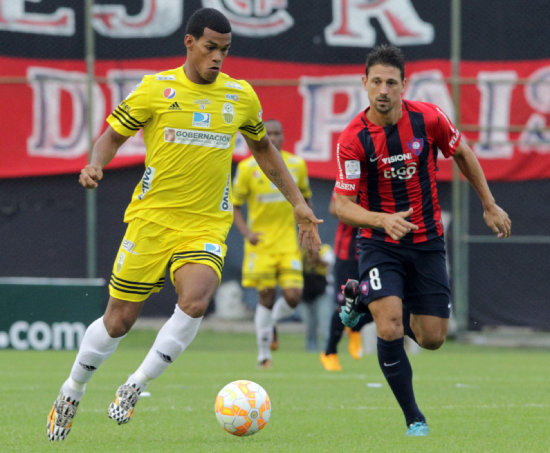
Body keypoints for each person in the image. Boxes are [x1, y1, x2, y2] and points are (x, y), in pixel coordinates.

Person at [46, 8, 322, 442]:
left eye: (225, 50)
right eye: (210, 47)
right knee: (118, 321)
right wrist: (95, 165)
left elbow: (264, 150)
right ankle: (72, 389)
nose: (218, 57)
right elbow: (111, 136)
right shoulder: (157, 89)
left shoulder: (241, 96)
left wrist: (299, 204)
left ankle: (135, 384)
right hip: (152, 220)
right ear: (190, 43)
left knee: (195, 301)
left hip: (207, 223)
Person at [334, 44, 511, 436]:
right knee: (391, 326)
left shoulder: (428, 119)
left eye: (391, 83)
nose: (383, 89)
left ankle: (361, 301)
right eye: (376, 81)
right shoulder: (353, 138)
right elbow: (340, 205)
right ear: (364, 83)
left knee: (432, 338)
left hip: (428, 241)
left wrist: (489, 204)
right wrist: (381, 220)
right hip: (380, 243)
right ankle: (414, 417)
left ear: (403, 85)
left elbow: (462, 152)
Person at [232, 119, 313, 368]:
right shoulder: (246, 168)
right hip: (262, 244)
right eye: (270, 134)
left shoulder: (297, 165)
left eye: (279, 133)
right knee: (265, 298)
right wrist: (247, 233)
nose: (275, 138)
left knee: (293, 297)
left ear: (284, 137)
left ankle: (273, 322)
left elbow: (306, 201)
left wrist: (308, 230)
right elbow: (234, 205)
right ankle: (263, 355)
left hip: (288, 242)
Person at [320, 192, 371, 371]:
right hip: (348, 252)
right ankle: (329, 352)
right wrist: (370, 214)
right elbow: (334, 209)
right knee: (344, 303)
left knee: (380, 300)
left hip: (376, 251)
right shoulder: (351, 173)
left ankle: (355, 327)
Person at [300, 243, 334, 351]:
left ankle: (327, 351)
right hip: (306, 294)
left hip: (322, 292)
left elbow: (328, 263)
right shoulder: (299, 252)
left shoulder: (324, 249)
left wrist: (315, 255)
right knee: (310, 327)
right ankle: (311, 352)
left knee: (325, 325)